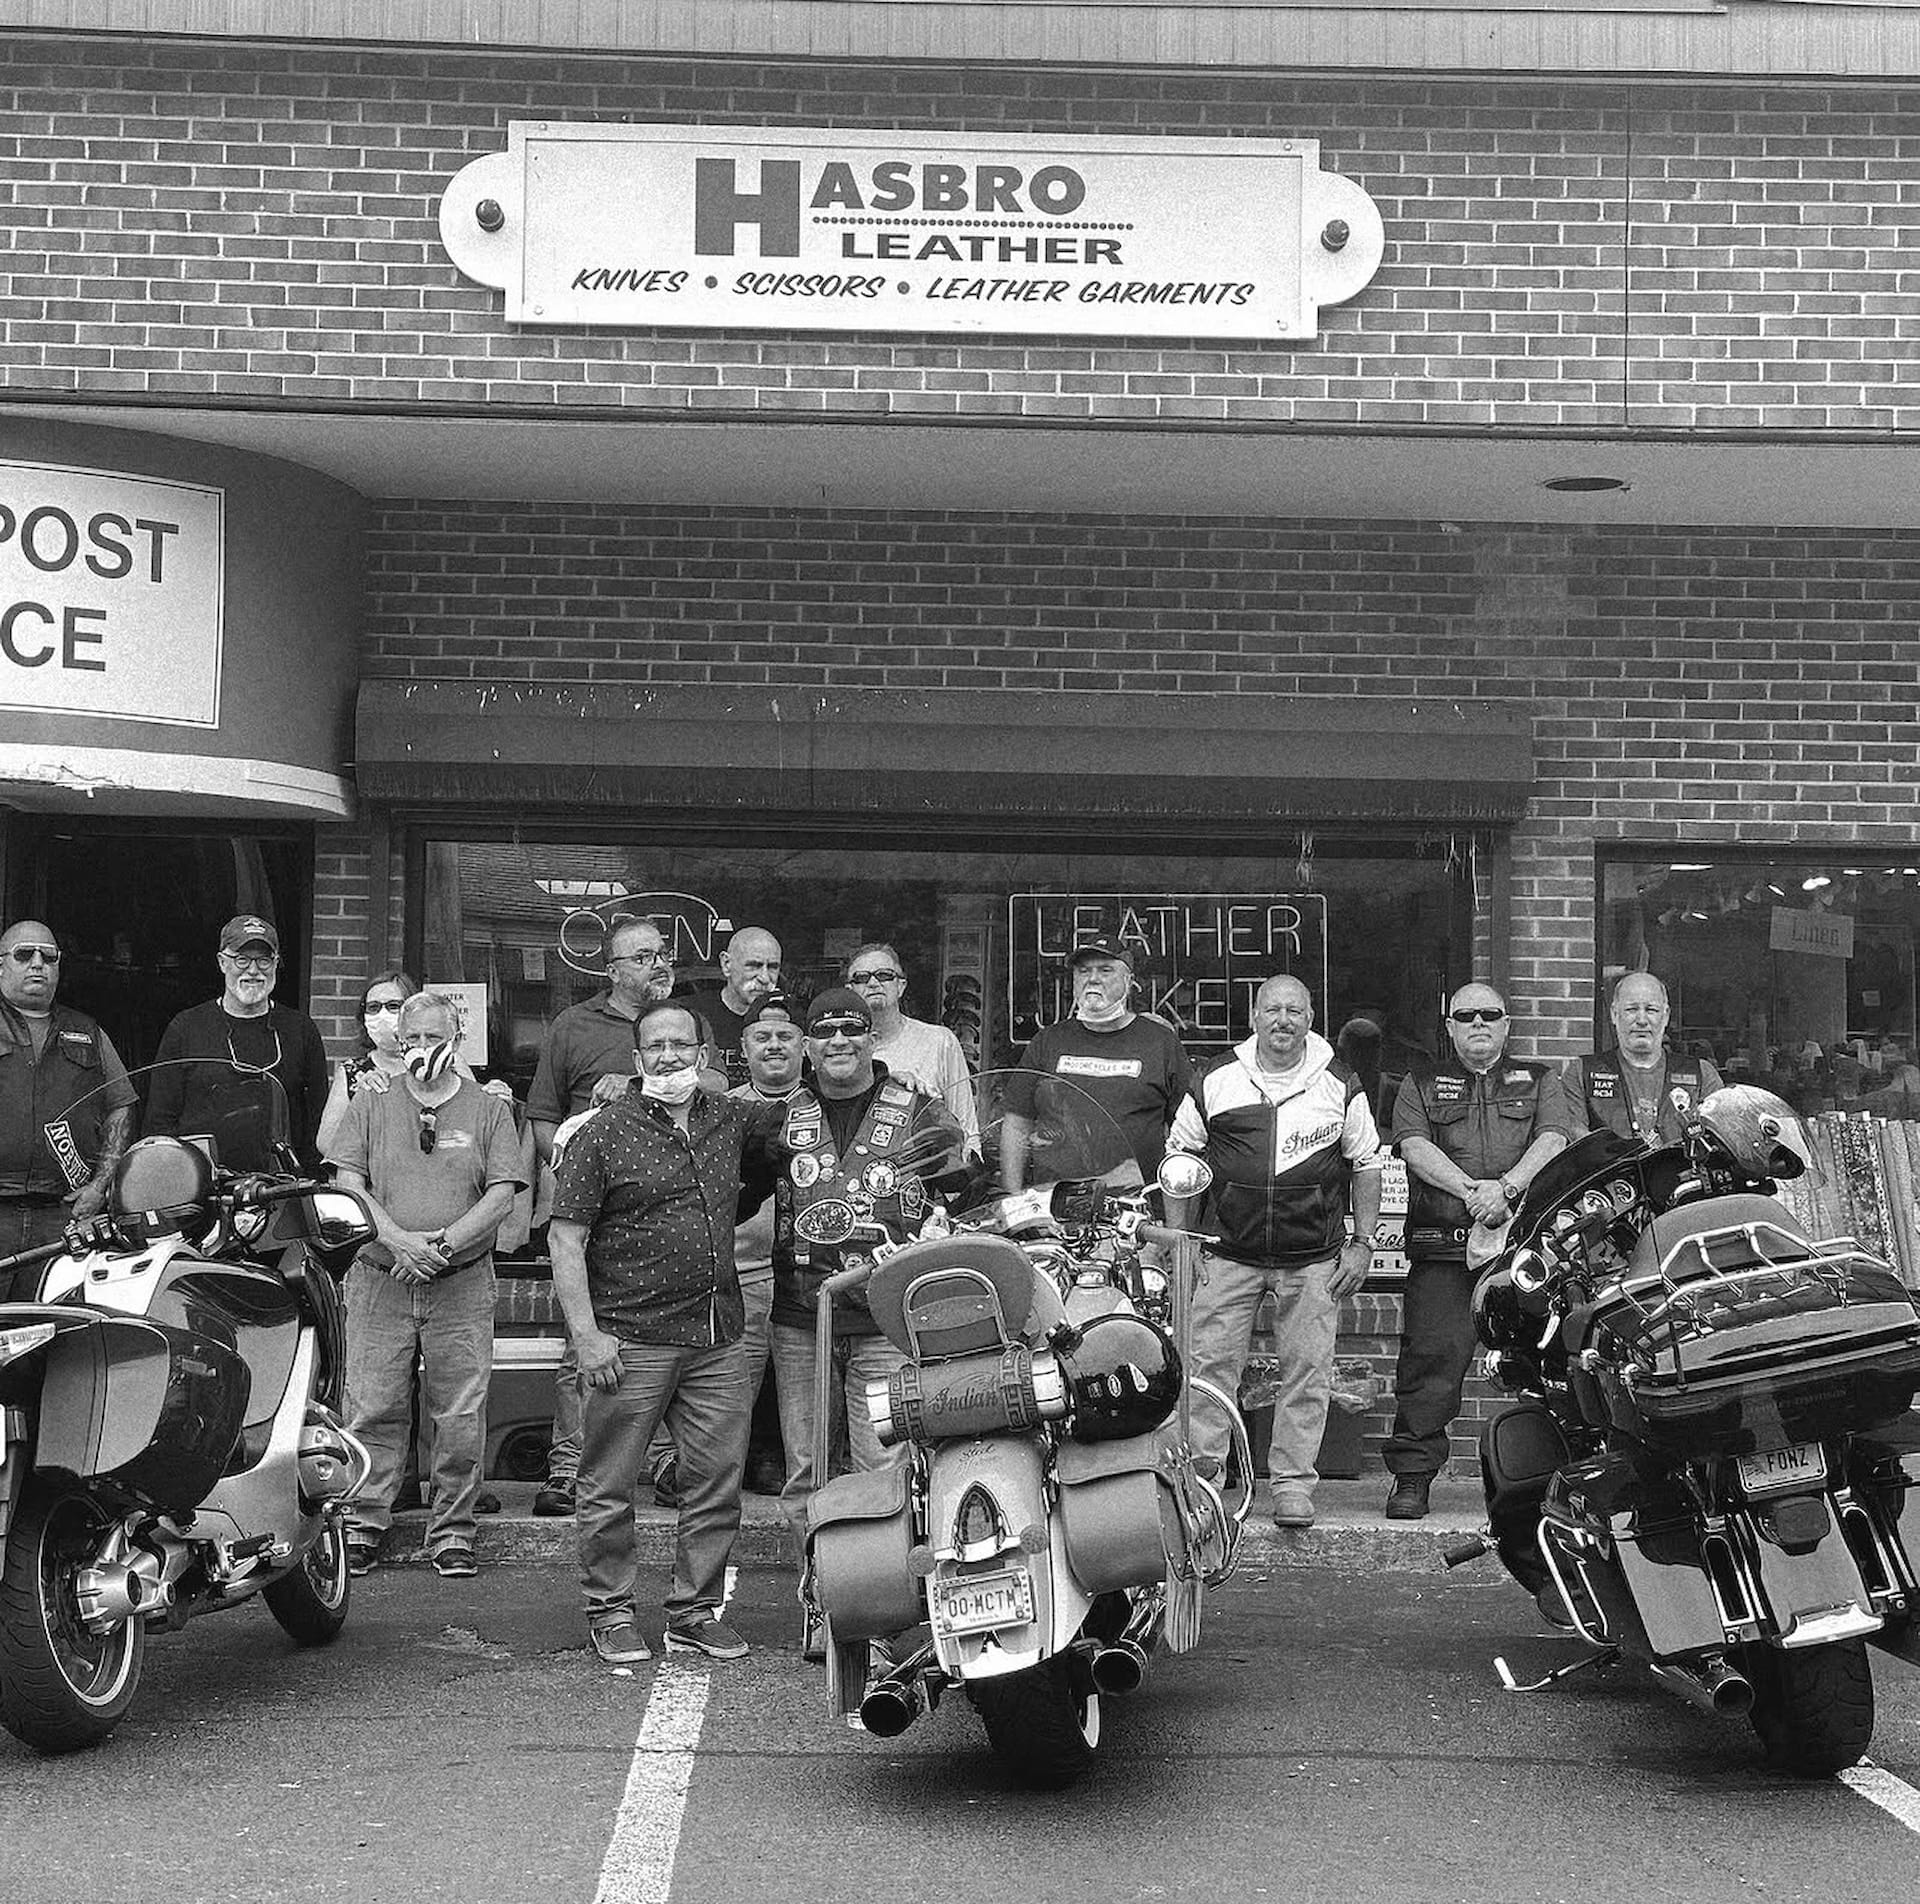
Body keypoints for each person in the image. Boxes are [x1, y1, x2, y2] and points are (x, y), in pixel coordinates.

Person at [548, 1002, 782, 1666]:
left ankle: (694, 1612)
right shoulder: (603, 1132)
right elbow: (565, 1239)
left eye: (682, 1044)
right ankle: (611, 1611)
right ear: (637, 1058)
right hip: (630, 1338)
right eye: (657, 1046)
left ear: (704, 1056)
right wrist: (586, 1336)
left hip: (718, 1338)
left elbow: (804, 1108)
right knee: (608, 1483)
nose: (670, 1055)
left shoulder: (731, 1119)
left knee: (715, 1483)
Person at [767, 987, 956, 1656]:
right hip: (801, 1321)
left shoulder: (919, 1107)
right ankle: (823, 1602)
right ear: (808, 1045)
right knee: (807, 1470)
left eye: (853, 1028)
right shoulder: (779, 1117)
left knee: (884, 1470)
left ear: (874, 1037)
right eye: (825, 1031)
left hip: (885, 1322)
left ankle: (880, 1612)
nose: (839, 1040)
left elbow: (966, 1191)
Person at [1168, 975, 1384, 1528]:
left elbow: (1366, 1164)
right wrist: (1181, 1244)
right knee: (1208, 1371)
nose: (1282, 1020)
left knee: (1307, 1373)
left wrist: (1362, 1243)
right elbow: (1180, 1159)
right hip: (1227, 1253)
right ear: (1254, 1017)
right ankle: (1203, 1485)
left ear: (1310, 1018)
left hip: (1313, 1257)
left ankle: (1291, 1486)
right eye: (1272, 1010)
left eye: (1294, 1010)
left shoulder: (1339, 1081)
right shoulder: (1216, 1077)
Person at [329, 992, 526, 1577]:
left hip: (460, 1282)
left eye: (433, 1037)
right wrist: (399, 1242)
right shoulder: (370, 1101)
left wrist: (440, 1248)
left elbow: (502, 1193)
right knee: (371, 1407)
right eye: (410, 1038)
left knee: (459, 1413)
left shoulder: (488, 1108)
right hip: (380, 1279)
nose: (420, 1048)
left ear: (457, 1038)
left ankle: (454, 1530)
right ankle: (362, 1523)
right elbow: (347, 1183)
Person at [1384, 982, 1570, 1519]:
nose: (1479, 1024)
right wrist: (1475, 1193)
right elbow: (1414, 1147)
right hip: (1443, 1249)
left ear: (1507, 1024)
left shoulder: (1541, 1079)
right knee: (1430, 1361)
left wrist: (1506, 1189)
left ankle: (1562, 1481)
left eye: (1490, 1014)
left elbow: (1554, 1140)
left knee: (1549, 1362)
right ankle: (1412, 1477)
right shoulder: (1419, 1083)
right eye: (1466, 1016)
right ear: (1450, 1027)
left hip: (1525, 1253)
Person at [525, 916, 681, 1519]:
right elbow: (543, 1119)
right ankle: (568, 1465)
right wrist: (575, 1182)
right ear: (612, 970)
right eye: (642, 957)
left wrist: (639, 1077)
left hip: (663, 1212)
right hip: (592, 1217)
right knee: (582, 1340)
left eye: (662, 953)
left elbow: (716, 1085)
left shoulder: (681, 1025)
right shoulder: (574, 1025)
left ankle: (663, 1460)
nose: (658, 964)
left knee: (665, 1339)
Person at [0, 919, 138, 1286]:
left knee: (56, 1317)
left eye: (48, 957)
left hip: (62, 1215)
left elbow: (121, 1105)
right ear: (1, 965)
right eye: (24, 955)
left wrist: (100, 1185)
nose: (37, 964)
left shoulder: (88, 1032)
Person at [1000, 936, 1193, 1191]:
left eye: (1105, 970)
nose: (1093, 979)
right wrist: (1012, 1198)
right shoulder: (1048, 1040)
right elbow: (1017, 1122)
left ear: (1128, 980)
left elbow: (1188, 1130)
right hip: (1053, 1202)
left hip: (1135, 1204)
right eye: (1084, 971)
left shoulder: (1160, 1042)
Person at [145, 915, 330, 1173]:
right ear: (222, 962)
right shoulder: (185, 1028)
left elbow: (318, 1118)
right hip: (202, 1184)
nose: (253, 970)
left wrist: (311, 1180)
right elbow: (159, 1122)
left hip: (282, 1185)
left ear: (276, 963)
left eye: (264, 960)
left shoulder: (301, 1029)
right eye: (242, 959)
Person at [728, 993, 805, 1494]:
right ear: (744, 1047)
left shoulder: (825, 1106)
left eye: (785, 1036)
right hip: (744, 1270)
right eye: (762, 1037)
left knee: (799, 1390)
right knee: (735, 1389)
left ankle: (779, 1463)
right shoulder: (723, 1109)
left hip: (810, 1272)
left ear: (805, 1046)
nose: (773, 1045)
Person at [845, 941, 979, 1150]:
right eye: (861, 978)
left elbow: (966, 1126)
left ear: (901, 986)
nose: (873, 983)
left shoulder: (939, 1041)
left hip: (927, 1165)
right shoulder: (838, 1049)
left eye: (884, 975)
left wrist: (970, 1163)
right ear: (849, 990)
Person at [1564, 971, 1723, 1143]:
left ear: (1666, 1016)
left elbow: (1720, 1138)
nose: (1641, 1020)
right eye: (1631, 1009)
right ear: (1614, 1014)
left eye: (1651, 1010)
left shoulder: (1701, 1074)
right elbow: (1577, 1139)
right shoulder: (1581, 1072)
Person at [684, 926, 784, 1089]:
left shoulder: (789, 1020)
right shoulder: (689, 1016)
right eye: (753, 966)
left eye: (773, 967)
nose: (765, 978)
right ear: (726, 964)